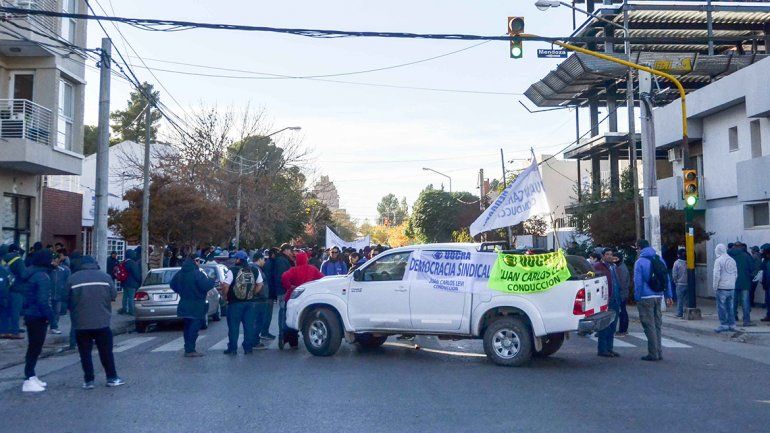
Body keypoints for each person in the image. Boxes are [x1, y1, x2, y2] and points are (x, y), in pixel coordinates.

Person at [66, 255, 124, 388]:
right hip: (102, 322)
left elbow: (65, 297)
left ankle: (88, 380)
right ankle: (111, 377)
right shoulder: (105, 277)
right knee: (106, 352)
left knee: (85, 353)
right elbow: (113, 295)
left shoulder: (73, 278)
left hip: (81, 323)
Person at [633, 240, 673, 361]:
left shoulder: (640, 262)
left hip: (645, 297)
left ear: (639, 248)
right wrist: (668, 295)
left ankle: (653, 353)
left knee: (648, 325)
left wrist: (637, 297)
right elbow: (666, 278)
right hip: (658, 295)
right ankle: (659, 352)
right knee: (657, 325)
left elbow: (638, 282)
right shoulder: (659, 259)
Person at [21, 249, 54, 392]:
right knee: (35, 347)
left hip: (30, 313)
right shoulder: (42, 276)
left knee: (34, 346)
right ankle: (28, 378)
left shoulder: (31, 273)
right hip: (38, 315)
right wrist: (51, 317)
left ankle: (31, 375)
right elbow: (43, 300)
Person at [170, 255, 214, 357]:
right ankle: (190, 350)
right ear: (195, 261)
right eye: (198, 261)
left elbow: (172, 284)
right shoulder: (197, 273)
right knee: (194, 328)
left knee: (187, 327)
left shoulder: (180, 273)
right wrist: (211, 280)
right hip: (196, 304)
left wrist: (181, 292)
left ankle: (187, 348)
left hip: (184, 303)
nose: (199, 263)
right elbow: (206, 285)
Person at [280, 251, 324, 349]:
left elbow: (284, 277)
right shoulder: (312, 269)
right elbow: (322, 279)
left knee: (290, 318)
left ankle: (292, 342)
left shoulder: (293, 270)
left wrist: (289, 287)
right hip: (309, 297)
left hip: (294, 296)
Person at [224, 251, 261, 355]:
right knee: (249, 326)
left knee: (233, 327)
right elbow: (260, 284)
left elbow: (226, 285)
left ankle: (232, 349)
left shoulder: (232, 270)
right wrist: (252, 293)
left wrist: (225, 296)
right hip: (249, 303)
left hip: (234, 303)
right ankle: (248, 348)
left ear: (238, 260)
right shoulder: (254, 270)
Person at [592, 248, 620, 358]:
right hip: (605, 300)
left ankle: (610, 348)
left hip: (615, 298)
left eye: (611, 254)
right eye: (607, 254)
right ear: (603, 256)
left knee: (613, 325)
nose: (609, 256)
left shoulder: (613, 267)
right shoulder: (598, 267)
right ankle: (602, 349)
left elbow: (616, 282)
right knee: (605, 326)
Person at [2, 244, 27, 340]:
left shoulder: (3, 259)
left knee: (5, 311)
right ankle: (15, 332)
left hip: (5, 288)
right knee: (15, 311)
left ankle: (4, 331)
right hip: (17, 288)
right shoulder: (18, 260)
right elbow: (23, 274)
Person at [713, 243, 738, 333]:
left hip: (722, 288)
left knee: (721, 307)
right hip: (731, 288)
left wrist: (715, 286)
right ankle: (732, 324)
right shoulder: (732, 260)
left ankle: (724, 324)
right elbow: (735, 273)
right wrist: (732, 283)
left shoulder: (718, 260)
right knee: (730, 307)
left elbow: (716, 275)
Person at [273, 244, 294, 347]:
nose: (291, 253)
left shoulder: (283, 259)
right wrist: (288, 287)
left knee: (285, 311)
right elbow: (283, 276)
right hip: (284, 290)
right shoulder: (281, 260)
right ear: (286, 250)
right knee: (283, 312)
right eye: (290, 250)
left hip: (284, 289)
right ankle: (282, 334)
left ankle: (285, 335)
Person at [729, 242, 754, 326]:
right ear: (741, 247)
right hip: (744, 282)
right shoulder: (746, 256)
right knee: (745, 302)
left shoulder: (728, 255)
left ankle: (732, 320)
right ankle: (746, 321)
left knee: (733, 302)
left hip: (731, 282)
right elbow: (752, 268)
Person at [250, 251, 271, 350]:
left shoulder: (250, 268)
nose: (264, 261)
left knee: (253, 321)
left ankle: (251, 340)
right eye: (263, 259)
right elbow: (260, 284)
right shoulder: (257, 269)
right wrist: (255, 293)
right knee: (258, 321)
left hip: (254, 299)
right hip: (259, 299)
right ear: (259, 259)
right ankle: (254, 342)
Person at [49, 251, 71, 335]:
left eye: (56, 259)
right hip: (49, 293)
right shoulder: (48, 269)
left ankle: (54, 326)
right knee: (49, 311)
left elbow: (68, 281)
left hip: (59, 293)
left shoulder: (65, 269)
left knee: (57, 311)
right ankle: (51, 325)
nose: (54, 261)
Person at [613, 251, 630, 336]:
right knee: (622, 312)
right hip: (623, 293)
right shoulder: (619, 267)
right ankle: (622, 329)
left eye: (616, 259)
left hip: (622, 293)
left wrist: (618, 292)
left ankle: (623, 330)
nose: (614, 260)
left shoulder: (621, 268)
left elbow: (622, 282)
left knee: (622, 312)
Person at [120, 249, 141, 315]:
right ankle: (131, 311)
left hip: (124, 282)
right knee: (131, 298)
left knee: (125, 296)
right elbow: (136, 274)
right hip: (132, 283)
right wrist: (140, 281)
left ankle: (124, 309)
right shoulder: (132, 263)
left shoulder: (124, 262)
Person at [671, 248, 688, 319]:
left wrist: (675, 281)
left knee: (680, 299)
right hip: (688, 283)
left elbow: (674, 274)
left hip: (680, 284)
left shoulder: (676, 263)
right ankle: (687, 312)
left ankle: (679, 313)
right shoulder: (688, 262)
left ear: (678, 255)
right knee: (687, 300)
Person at [760, 244, 770, 322]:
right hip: (767, 284)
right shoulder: (766, 261)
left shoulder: (768, 262)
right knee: (767, 300)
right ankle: (768, 315)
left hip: (768, 284)